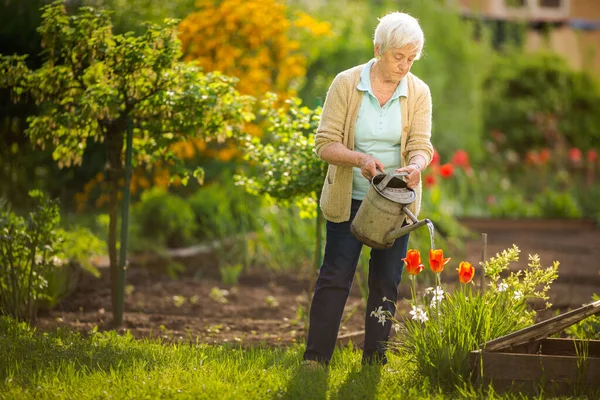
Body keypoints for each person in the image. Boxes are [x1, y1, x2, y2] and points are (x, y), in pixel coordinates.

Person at [303, 11, 434, 366]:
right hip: (350, 200)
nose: (404, 66)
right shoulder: (346, 84)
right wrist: (359, 159)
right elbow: (324, 144)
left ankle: (374, 361)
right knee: (335, 277)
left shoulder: (418, 92)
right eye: (398, 57)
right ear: (378, 48)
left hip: (395, 206)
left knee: (386, 282)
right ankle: (315, 358)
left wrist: (417, 165)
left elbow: (422, 144)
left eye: (411, 58)